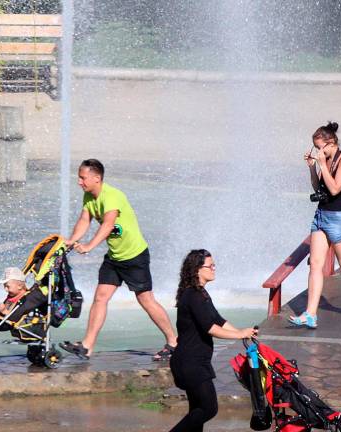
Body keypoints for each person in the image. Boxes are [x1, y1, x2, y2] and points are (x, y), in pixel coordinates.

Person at [59, 159, 177, 361]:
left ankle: (174, 341)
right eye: (79, 177)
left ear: (97, 178)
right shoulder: (89, 196)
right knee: (100, 297)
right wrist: (72, 240)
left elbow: (107, 225)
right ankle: (87, 346)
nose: (79, 182)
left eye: (82, 178)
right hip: (114, 257)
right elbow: (84, 220)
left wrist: (88, 246)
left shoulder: (112, 196)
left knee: (146, 300)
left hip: (134, 256)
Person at [289, 122, 341, 329]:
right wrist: (313, 168)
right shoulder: (325, 161)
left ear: (332, 143)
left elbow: (335, 189)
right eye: (316, 148)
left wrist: (323, 165)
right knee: (315, 265)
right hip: (321, 216)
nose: (319, 152)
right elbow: (320, 187)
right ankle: (310, 314)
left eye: (321, 147)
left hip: (339, 218)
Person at [169, 249, 258, 432]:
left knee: (197, 410)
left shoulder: (200, 293)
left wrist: (243, 332)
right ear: (197, 270)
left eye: (214, 265)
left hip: (195, 361)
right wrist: (239, 335)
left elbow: (218, 320)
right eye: (210, 266)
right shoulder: (193, 295)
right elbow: (211, 329)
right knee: (209, 408)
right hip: (190, 363)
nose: (214, 269)